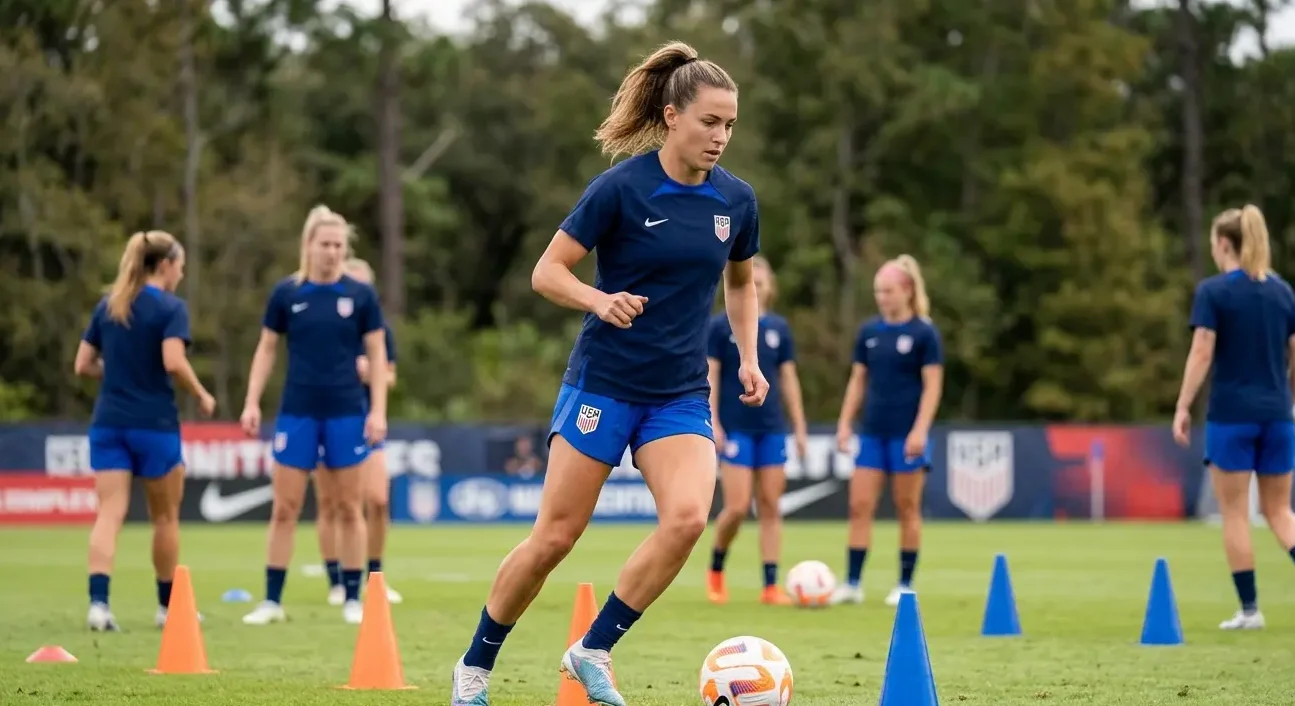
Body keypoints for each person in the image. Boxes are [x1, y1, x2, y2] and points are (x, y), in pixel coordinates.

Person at [450, 41, 768, 706]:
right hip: (602, 384)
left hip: (678, 393)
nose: (720, 137)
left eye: (730, 124)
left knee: (686, 519)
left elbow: (740, 284)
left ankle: (591, 649)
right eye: (709, 122)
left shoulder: (735, 201)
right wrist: (599, 300)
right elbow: (546, 272)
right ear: (673, 115)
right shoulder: (621, 188)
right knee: (556, 536)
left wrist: (747, 354)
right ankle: (474, 668)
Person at [239, 206, 389, 626]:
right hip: (297, 412)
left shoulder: (360, 295)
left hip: (346, 412)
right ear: (309, 245)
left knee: (348, 507)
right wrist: (252, 401)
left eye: (339, 245)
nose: (332, 252)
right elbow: (267, 348)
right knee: (285, 507)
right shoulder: (286, 294)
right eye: (325, 244)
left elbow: (377, 353)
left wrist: (377, 409)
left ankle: (353, 597)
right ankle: (271, 600)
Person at [75, 231, 216, 631]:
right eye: (181, 267)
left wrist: (116, 373)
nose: (182, 274)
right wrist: (202, 394)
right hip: (154, 425)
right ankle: (167, 608)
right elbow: (173, 360)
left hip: (109, 423)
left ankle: (99, 606)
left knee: (109, 513)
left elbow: (82, 365)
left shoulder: (109, 305)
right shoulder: (171, 308)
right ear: (166, 265)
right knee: (165, 517)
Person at [1173, 204, 1295, 630]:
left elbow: (1203, 350)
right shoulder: (1283, 292)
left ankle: (1249, 610)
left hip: (1232, 415)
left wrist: (1183, 404)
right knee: (1281, 513)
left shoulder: (1214, 292)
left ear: (1224, 244)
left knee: (1237, 514)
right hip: (1279, 414)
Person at [831, 255, 943, 607]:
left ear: (907, 291)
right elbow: (858, 381)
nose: (882, 297)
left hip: (906, 435)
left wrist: (920, 430)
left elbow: (932, 387)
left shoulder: (925, 333)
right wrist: (845, 422)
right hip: (872, 434)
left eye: (888, 290)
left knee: (907, 507)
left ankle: (905, 583)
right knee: (859, 506)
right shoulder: (869, 332)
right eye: (878, 291)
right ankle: (852, 583)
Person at [704, 255, 809, 606]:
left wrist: (799, 426)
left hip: (772, 428)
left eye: (762, 283)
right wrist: (713, 420)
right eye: (752, 282)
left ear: (770, 289)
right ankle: (717, 567)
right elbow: (712, 375)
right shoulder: (721, 327)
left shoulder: (780, 329)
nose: (757, 287)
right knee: (735, 508)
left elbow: (788, 379)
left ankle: (769, 585)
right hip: (736, 429)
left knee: (770, 506)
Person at [314, 256, 403, 606]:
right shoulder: (324, 326)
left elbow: (391, 375)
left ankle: (375, 577)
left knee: (377, 500)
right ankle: (336, 579)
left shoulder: (378, 329)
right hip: (328, 416)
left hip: (367, 422)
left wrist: (371, 372)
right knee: (331, 503)